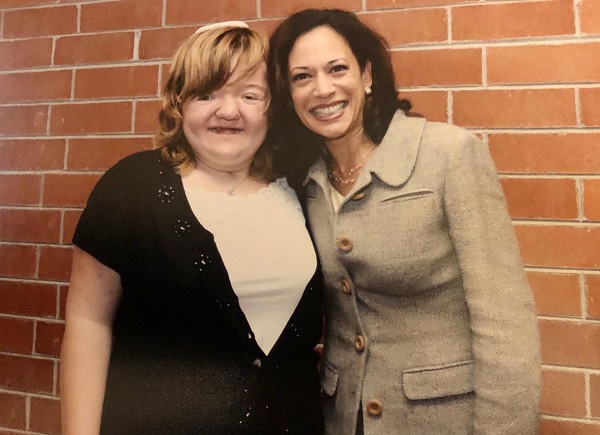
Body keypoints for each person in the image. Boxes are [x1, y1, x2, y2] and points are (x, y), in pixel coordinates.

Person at [268, 9, 541, 435]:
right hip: (342, 419)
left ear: (367, 75)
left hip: (442, 421)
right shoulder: (306, 181)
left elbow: (506, 326)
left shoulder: (448, 154)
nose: (323, 89)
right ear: (288, 91)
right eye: (302, 76)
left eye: (337, 68)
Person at [60, 22, 324, 435]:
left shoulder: (303, 189)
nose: (229, 111)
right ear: (179, 104)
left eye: (249, 95)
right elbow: (88, 323)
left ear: (272, 108)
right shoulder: (132, 186)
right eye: (207, 94)